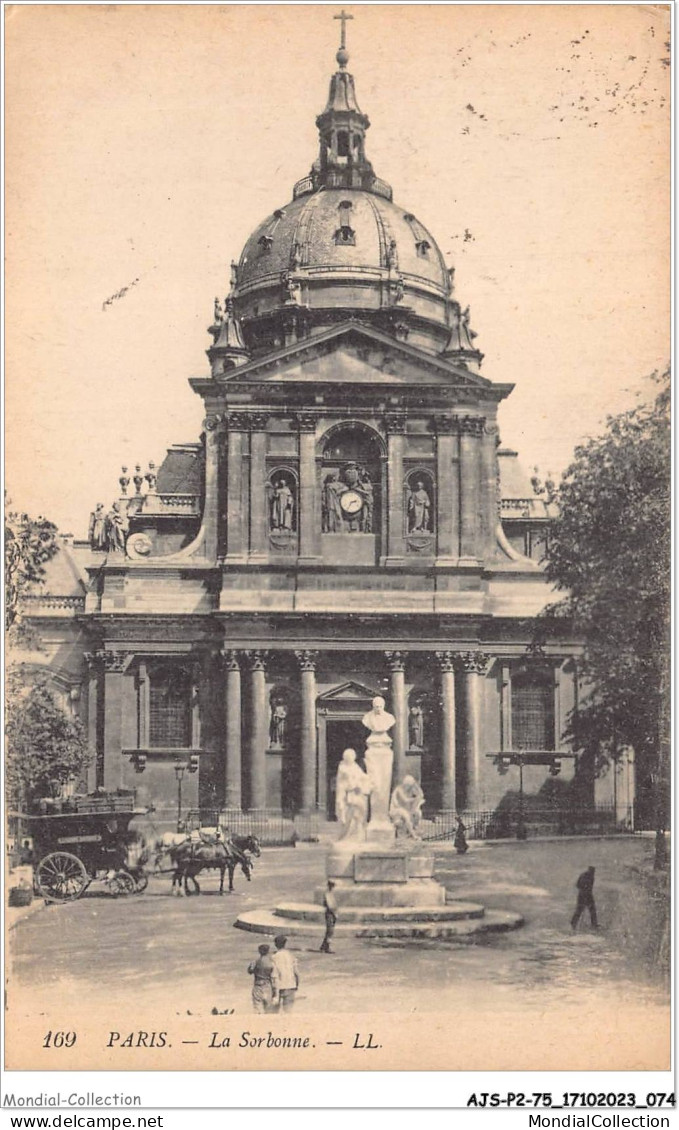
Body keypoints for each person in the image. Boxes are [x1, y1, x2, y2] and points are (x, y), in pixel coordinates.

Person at [271, 935, 299, 1011]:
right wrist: (297, 984)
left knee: (274, 1010)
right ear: (285, 944)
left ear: (275, 944)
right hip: (290, 985)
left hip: (279, 986)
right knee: (288, 1011)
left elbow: (273, 974)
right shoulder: (291, 956)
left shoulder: (274, 957)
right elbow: (296, 973)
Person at [247, 943, 276, 1013]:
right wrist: (274, 990)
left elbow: (249, 971)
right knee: (268, 1009)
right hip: (268, 986)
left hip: (258, 986)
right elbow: (273, 977)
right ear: (268, 951)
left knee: (257, 1008)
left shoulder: (255, 962)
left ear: (259, 951)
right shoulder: (272, 963)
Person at [571, 865, 598, 930]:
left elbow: (577, 885)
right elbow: (588, 887)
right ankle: (594, 924)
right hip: (586, 895)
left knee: (579, 910)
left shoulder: (584, 875)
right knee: (592, 910)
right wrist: (585, 892)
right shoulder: (590, 877)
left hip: (582, 894)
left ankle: (573, 922)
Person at [320, 880, 337, 954]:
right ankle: (327, 947)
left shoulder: (330, 893)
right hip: (330, 913)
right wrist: (335, 913)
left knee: (330, 930)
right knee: (330, 931)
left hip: (332, 913)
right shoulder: (327, 894)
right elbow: (330, 905)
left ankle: (323, 946)